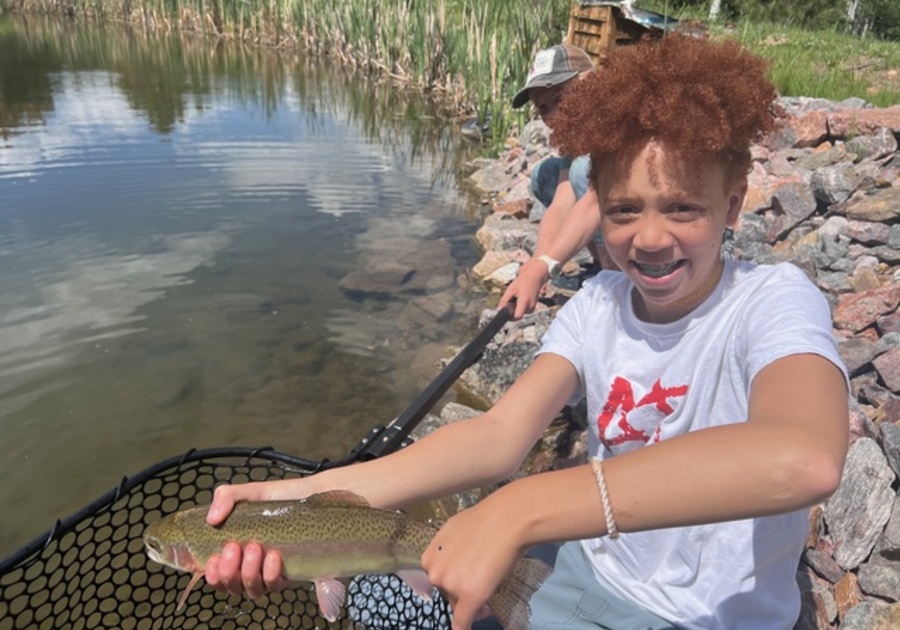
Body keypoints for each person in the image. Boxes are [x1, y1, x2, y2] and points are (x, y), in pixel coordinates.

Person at [202, 34, 849, 630]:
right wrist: (307, 498)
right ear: (597, 202)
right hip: (589, 568)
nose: (650, 238)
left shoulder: (773, 301)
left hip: (704, 617)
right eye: (624, 211)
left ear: (734, 203)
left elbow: (805, 457)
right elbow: (497, 435)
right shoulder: (598, 302)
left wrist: (522, 508)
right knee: (373, 591)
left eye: (683, 206)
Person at [503, 44, 611, 319]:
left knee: (582, 171)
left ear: (589, 84)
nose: (552, 115)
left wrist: (546, 265)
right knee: (544, 176)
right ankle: (602, 264)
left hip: (646, 220)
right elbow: (563, 202)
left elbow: (594, 201)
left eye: (559, 99)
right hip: (601, 204)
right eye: (543, 108)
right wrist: (538, 264)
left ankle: (616, 278)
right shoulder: (575, 131)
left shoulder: (611, 121)